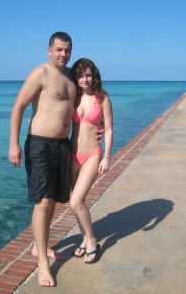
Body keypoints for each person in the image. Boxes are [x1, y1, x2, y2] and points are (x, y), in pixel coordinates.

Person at [8, 32, 77, 287]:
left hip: (62, 146)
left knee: (54, 202)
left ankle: (41, 247)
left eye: (67, 50)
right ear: (49, 50)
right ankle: (43, 265)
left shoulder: (71, 77)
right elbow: (19, 107)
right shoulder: (41, 73)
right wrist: (14, 144)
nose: (63, 54)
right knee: (43, 201)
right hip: (39, 145)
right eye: (59, 49)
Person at [69, 58, 113, 264]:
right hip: (72, 155)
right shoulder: (73, 97)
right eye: (80, 75)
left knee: (76, 201)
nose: (84, 79)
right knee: (79, 203)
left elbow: (110, 129)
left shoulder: (102, 99)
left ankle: (92, 240)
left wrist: (106, 157)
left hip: (93, 154)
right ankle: (84, 238)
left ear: (94, 75)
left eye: (88, 74)